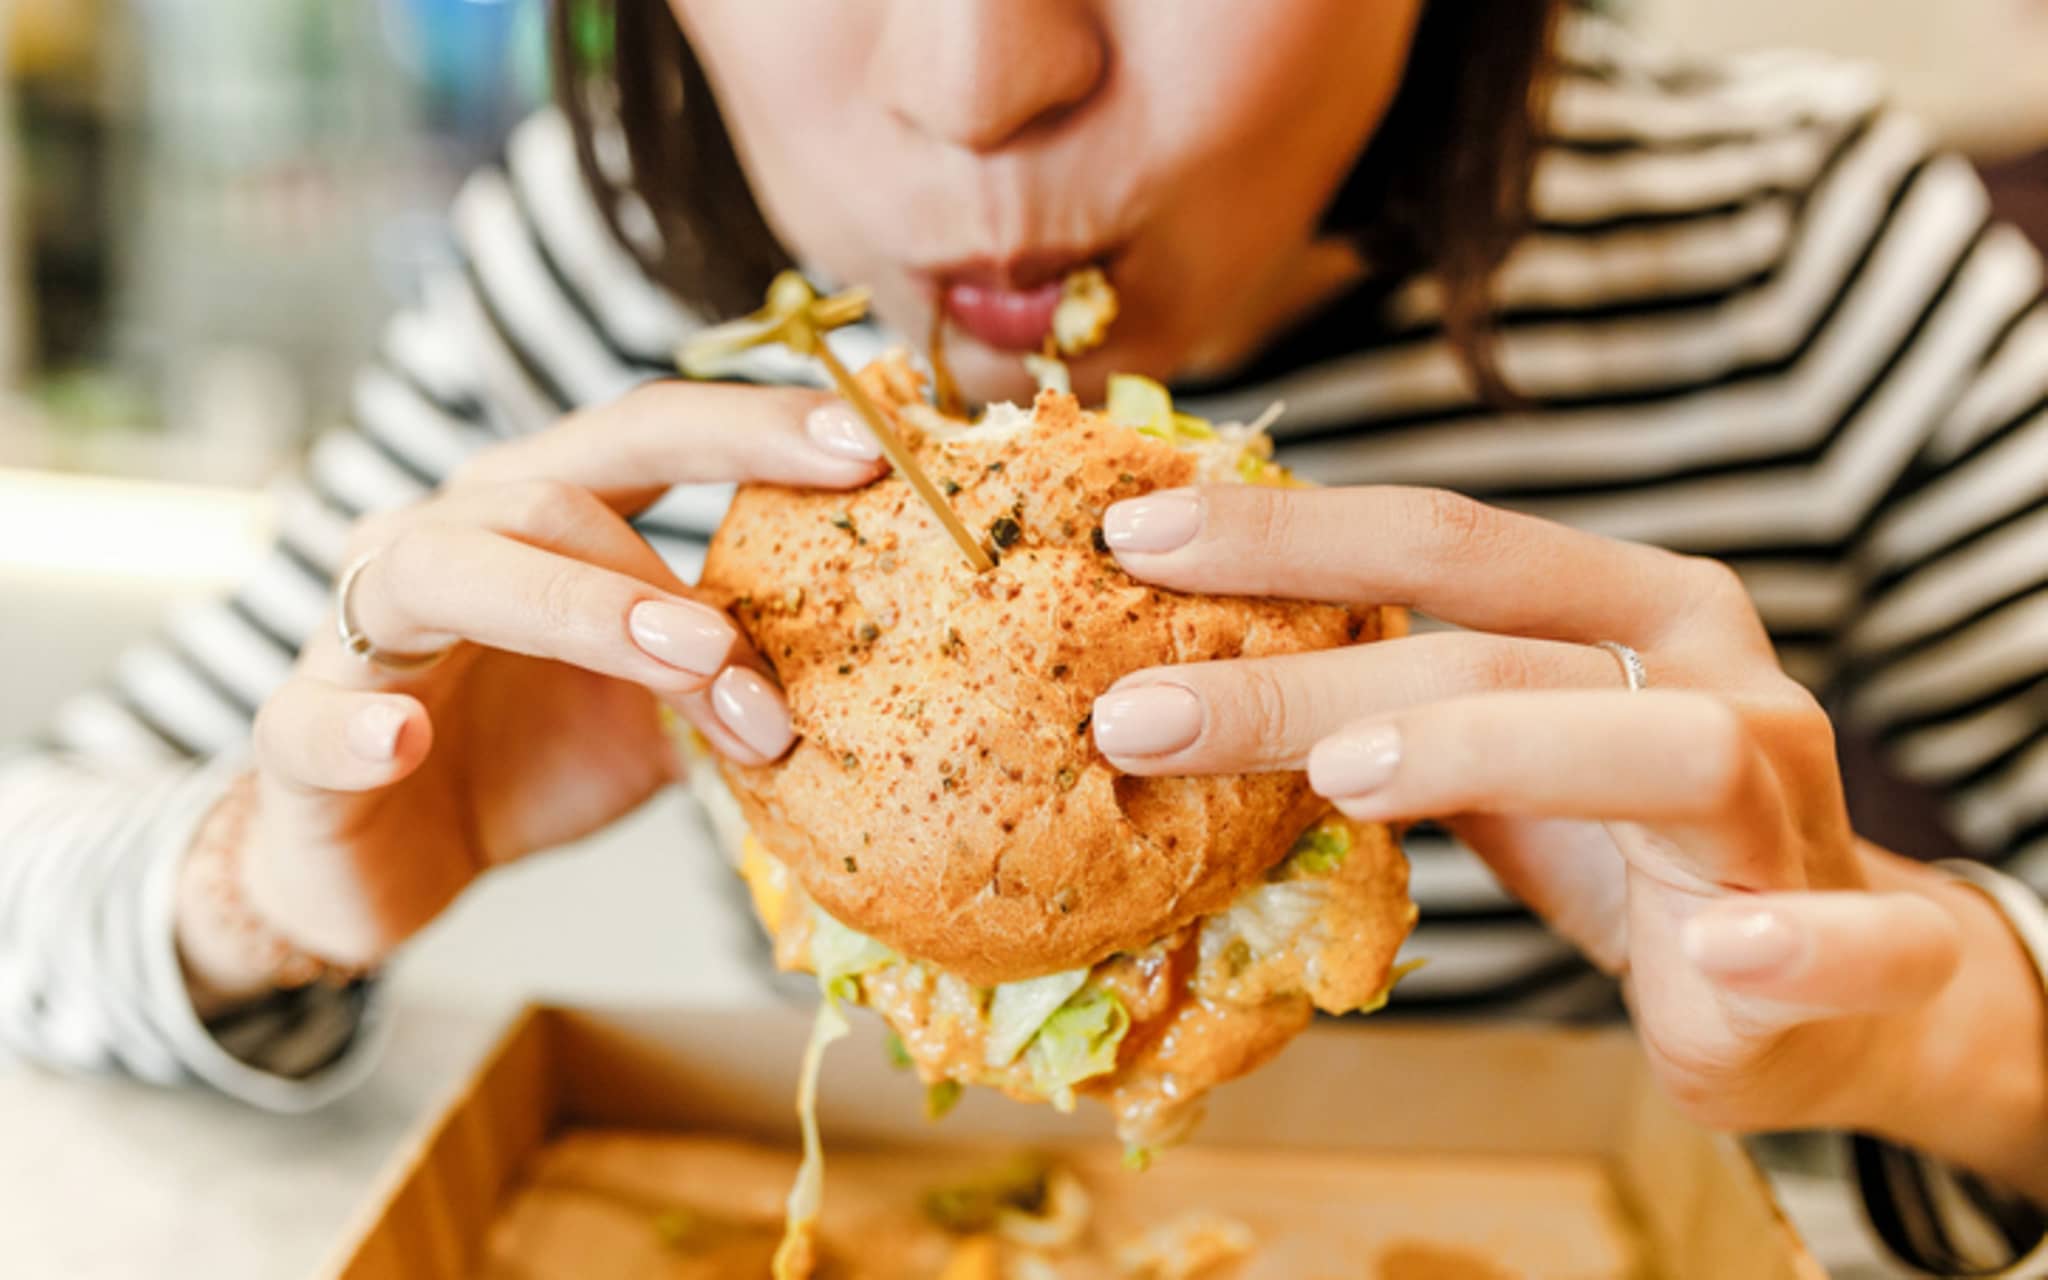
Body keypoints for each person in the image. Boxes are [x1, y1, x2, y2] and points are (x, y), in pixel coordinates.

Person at [3, 1, 2045, 1270]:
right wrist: (266, 878)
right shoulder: (617, 278)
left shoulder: (1799, 253)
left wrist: (1933, 1025)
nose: (980, 83)